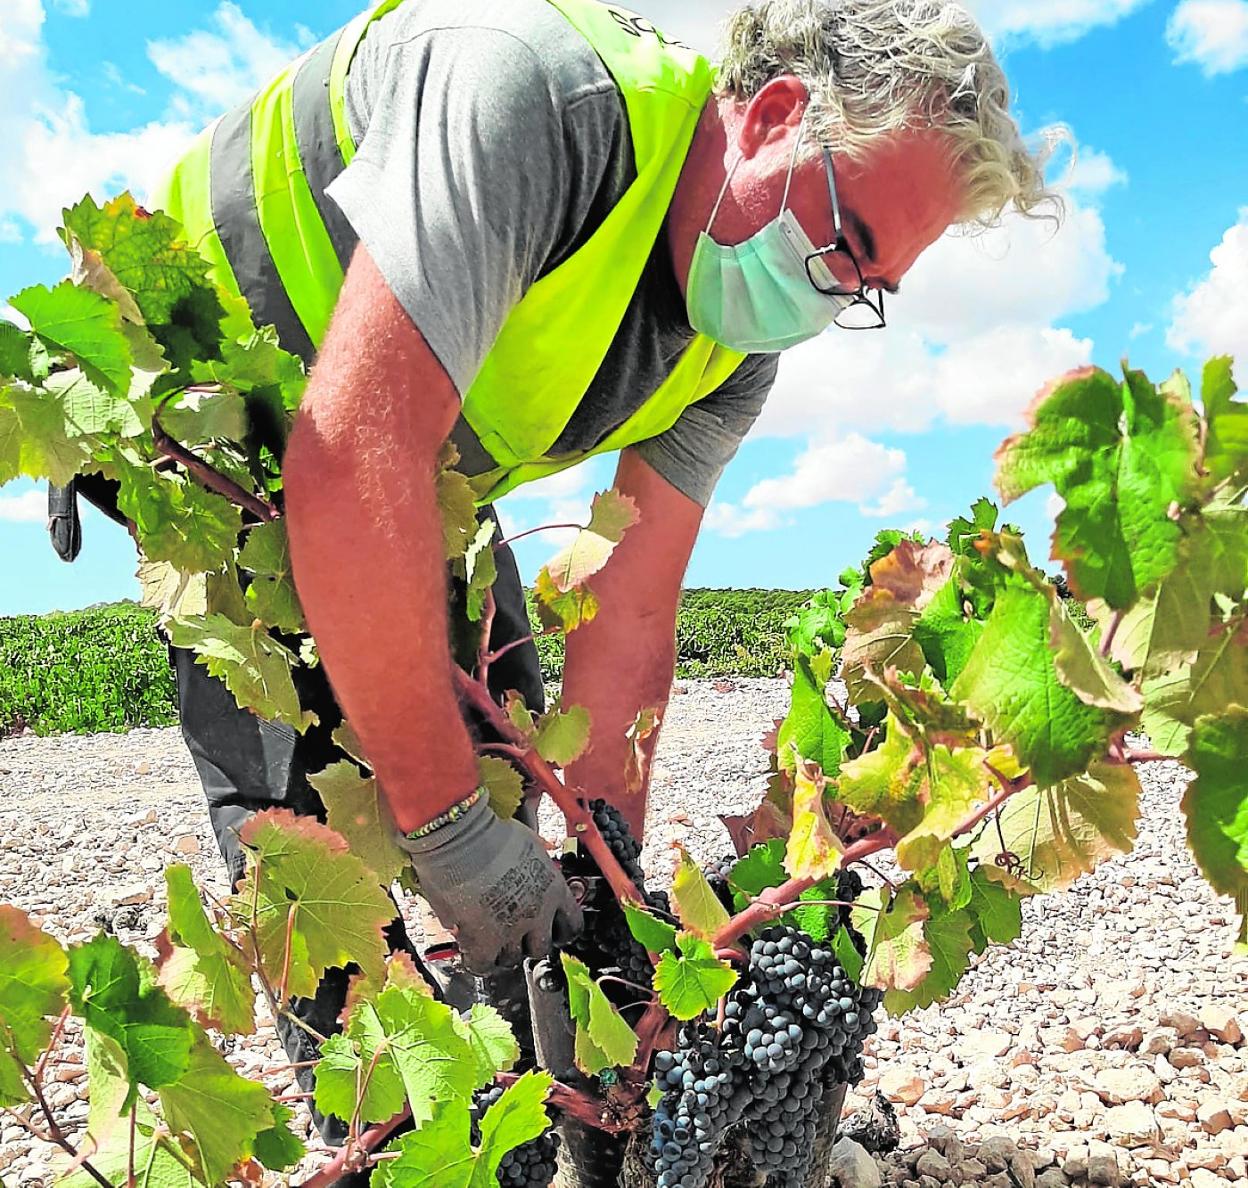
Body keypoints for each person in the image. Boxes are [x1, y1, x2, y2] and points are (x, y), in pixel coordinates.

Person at [49, 0, 1058, 1160]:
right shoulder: (536, 100)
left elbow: (628, 610)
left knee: (502, 717)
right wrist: (446, 832)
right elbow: (350, 457)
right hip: (188, 393)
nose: (833, 299)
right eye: (847, 246)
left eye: (867, 286)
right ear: (776, 115)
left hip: (390, 450)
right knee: (318, 785)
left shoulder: (739, 339)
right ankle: (381, 1121)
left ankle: (524, 1108)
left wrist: (609, 895)